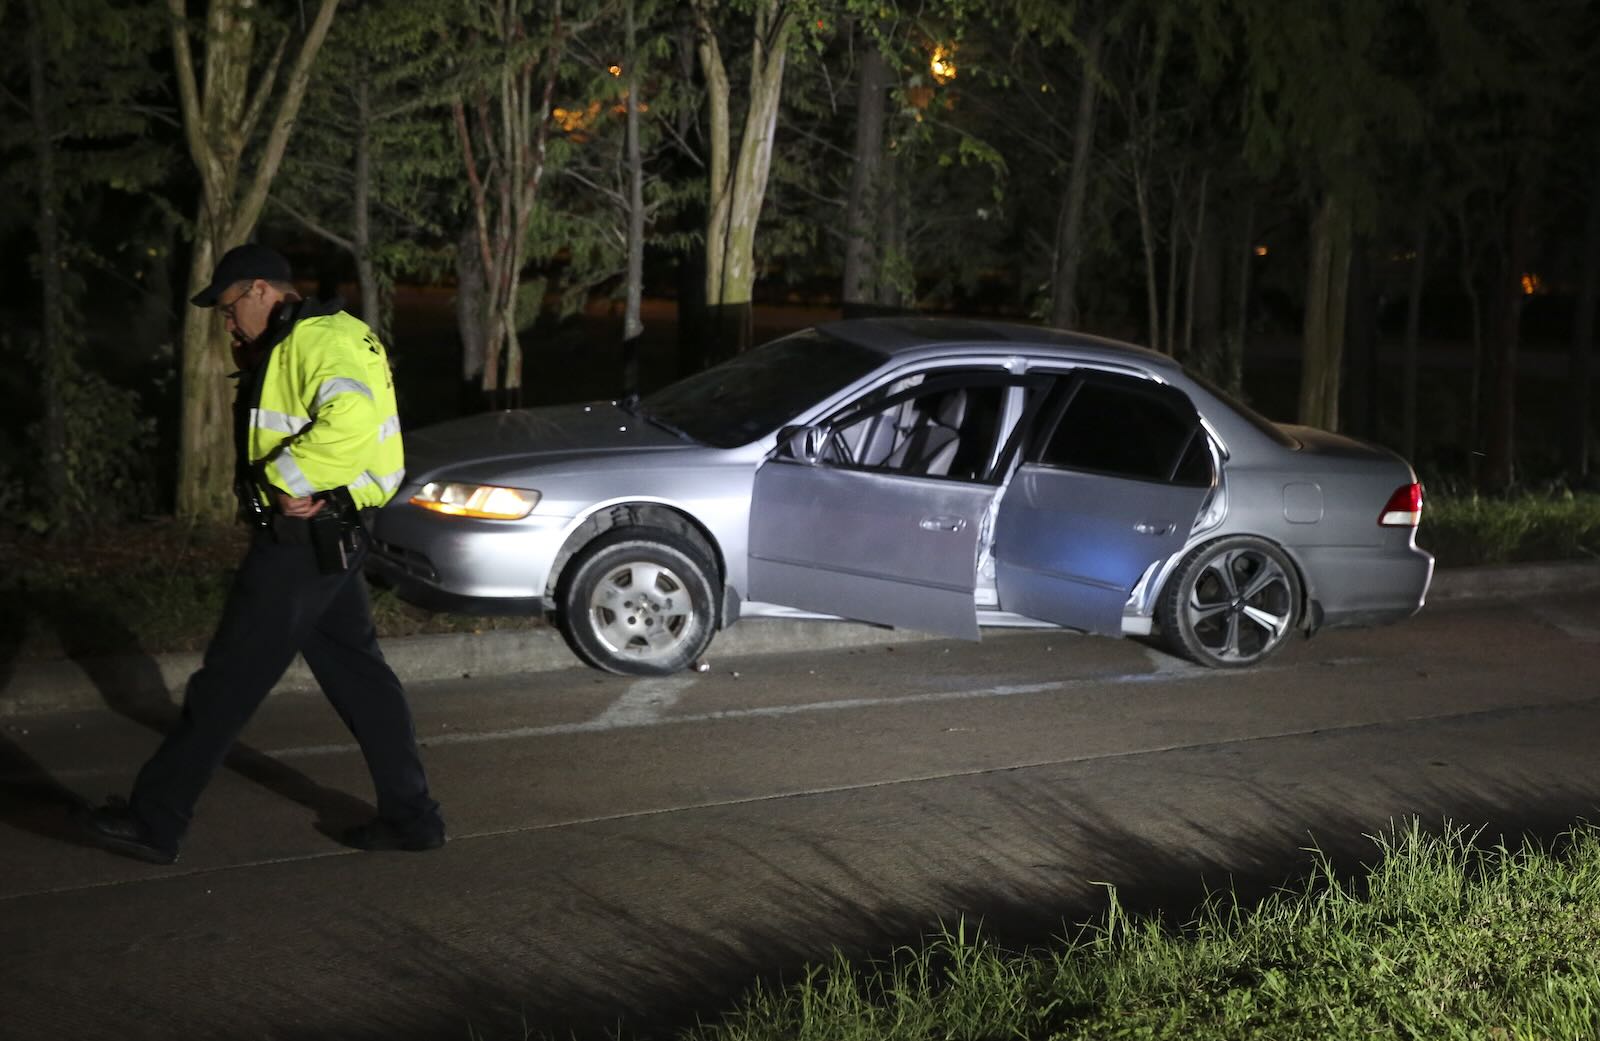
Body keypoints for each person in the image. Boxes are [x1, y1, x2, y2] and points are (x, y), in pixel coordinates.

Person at [77, 243, 445, 864]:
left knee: (228, 680)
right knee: (360, 676)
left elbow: (350, 421)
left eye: (227, 309)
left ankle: (154, 819)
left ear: (257, 290)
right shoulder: (330, 333)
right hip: (337, 531)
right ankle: (413, 818)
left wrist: (287, 480)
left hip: (304, 540)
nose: (226, 323)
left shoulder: (312, 341)